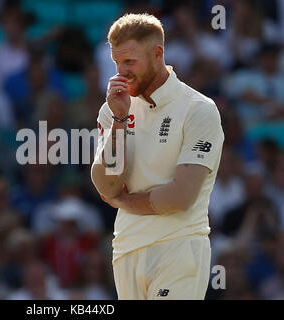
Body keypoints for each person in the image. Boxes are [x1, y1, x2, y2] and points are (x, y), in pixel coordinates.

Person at [91, 13, 224, 300]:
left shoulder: (199, 109)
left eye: (129, 62)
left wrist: (124, 202)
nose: (120, 72)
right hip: (126, 249)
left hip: (178, 246)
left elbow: (181, 197)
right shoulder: (114, 109)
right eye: (116, 62)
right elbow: (106, 186)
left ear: (157, 53)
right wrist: (119, 120)